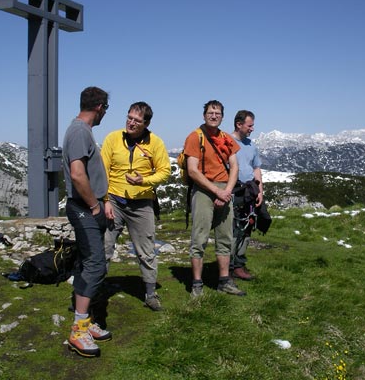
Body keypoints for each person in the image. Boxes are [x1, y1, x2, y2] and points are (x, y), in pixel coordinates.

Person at [101, 102, 171, 311]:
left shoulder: (155, 143)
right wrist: (104, 200)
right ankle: (95, 292)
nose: (131, 123)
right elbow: (103, 170)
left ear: (146, 123)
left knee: (146, 250)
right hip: (114, 200)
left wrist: (144, 181)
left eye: (137, 120)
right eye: (129, 118)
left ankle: (150, 294)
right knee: (104, 247)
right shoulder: (112, 138)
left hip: (142, 203)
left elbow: (164, 171)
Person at [63, 86, 113, 358]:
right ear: (100, 107)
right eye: (106, 108)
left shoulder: (80, 130)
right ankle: (78, 330)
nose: (105, 112)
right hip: (83, 208)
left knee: (87, 262)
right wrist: (95, 205)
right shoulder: (81, 131)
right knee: (95, 263)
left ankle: (85, 321)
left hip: (88, 206)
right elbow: (78, 175)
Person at [184, 100, 245, 297]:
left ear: (222, 117)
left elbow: (234, 166)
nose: (214, 116)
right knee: (199, 237)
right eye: (210, 112)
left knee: (225, 237)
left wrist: (226, 191)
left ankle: (224, 281)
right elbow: (192, 171)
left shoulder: (226, 138)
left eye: (217, 113)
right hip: (203, 189)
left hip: (224, 190)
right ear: (204, 115)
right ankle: (197, 284)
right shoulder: (195, 137)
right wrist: (217, 192)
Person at [230, 110, 264, 281]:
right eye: (250, 125)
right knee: (233, 229)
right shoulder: (227, 142)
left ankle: (239, 264)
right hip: (234, 191)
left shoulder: (251, 145)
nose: (252, 129)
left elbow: (256, 168)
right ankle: (228, 266)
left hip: (250, 191)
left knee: (247, 227)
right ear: (239, 124)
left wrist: (260, 192)